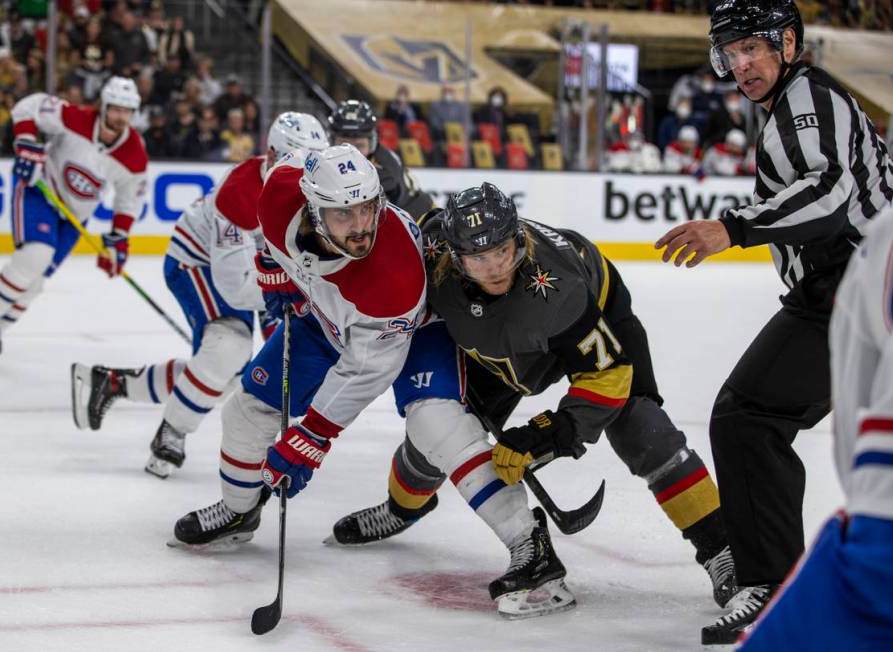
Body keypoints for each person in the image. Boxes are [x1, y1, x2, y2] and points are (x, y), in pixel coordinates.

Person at [169, 146, 576, 619]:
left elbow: (366, 369)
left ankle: (531, 547)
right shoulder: (278, 191)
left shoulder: (394, 275)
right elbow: (289, 176)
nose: (362, 224)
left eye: (369, 206)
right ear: (311, 207)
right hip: (325, 318)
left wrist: (313, 435)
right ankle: (239, 510)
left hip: (410, 329)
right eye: (344, 213)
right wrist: (274, 261)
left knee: (436, 425)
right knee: (246, 411)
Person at [333, 183, 738, 612]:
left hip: (591, 314)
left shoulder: (559, 290)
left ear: (519, 240)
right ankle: (402, 508)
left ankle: (723, 549)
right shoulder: (431, 254)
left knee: (641, 428)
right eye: (478, 258)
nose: (493, 269)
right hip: (498, 341)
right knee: (440, 431)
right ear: (453, 256)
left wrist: (547, 433)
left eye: (503, 252)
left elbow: (607, 375)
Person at [653, 0, 893, 644]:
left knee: (749, 415)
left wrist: (730, 228)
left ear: (788, 42)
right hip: (850, 291)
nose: (740, 65)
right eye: (730, 53)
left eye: (752, 48)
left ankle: (770, 582)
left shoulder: (806, 98)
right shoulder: (791, 106)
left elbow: (830, 193)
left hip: (852, 293)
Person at [71, 112, 328, 478]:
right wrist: (294, 287)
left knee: (236, 370)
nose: (305, 178)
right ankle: (172, 432)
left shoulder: (313, 191)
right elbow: (236, 287)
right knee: (229, 347)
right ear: (271, 155)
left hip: (256, 271)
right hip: (197, 264)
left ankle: (112, 383)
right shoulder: (240, 193)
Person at [738, 205, 893, 650]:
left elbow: (854, 414)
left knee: (744, 413)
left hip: (879, 555)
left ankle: (768, 580)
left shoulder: (881, 246)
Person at [0, 76, 148, 366]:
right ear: (104, 105)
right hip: (41, 191)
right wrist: (25, 142)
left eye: (126, 111)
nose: (120, 116)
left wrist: (118, 239)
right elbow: (29, 106)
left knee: (36, 282)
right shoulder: (76, 117)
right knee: (36, 255)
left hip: (76, 217)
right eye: (115, 108)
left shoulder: (134, 152)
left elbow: (130, 197)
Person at [326, 99, 433, 219]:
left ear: (372, 143)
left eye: (359, 145)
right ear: (331, 141)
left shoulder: (385, 172)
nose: (351, 152)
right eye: (343, 144)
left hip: (419, 217)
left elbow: (375, 221)